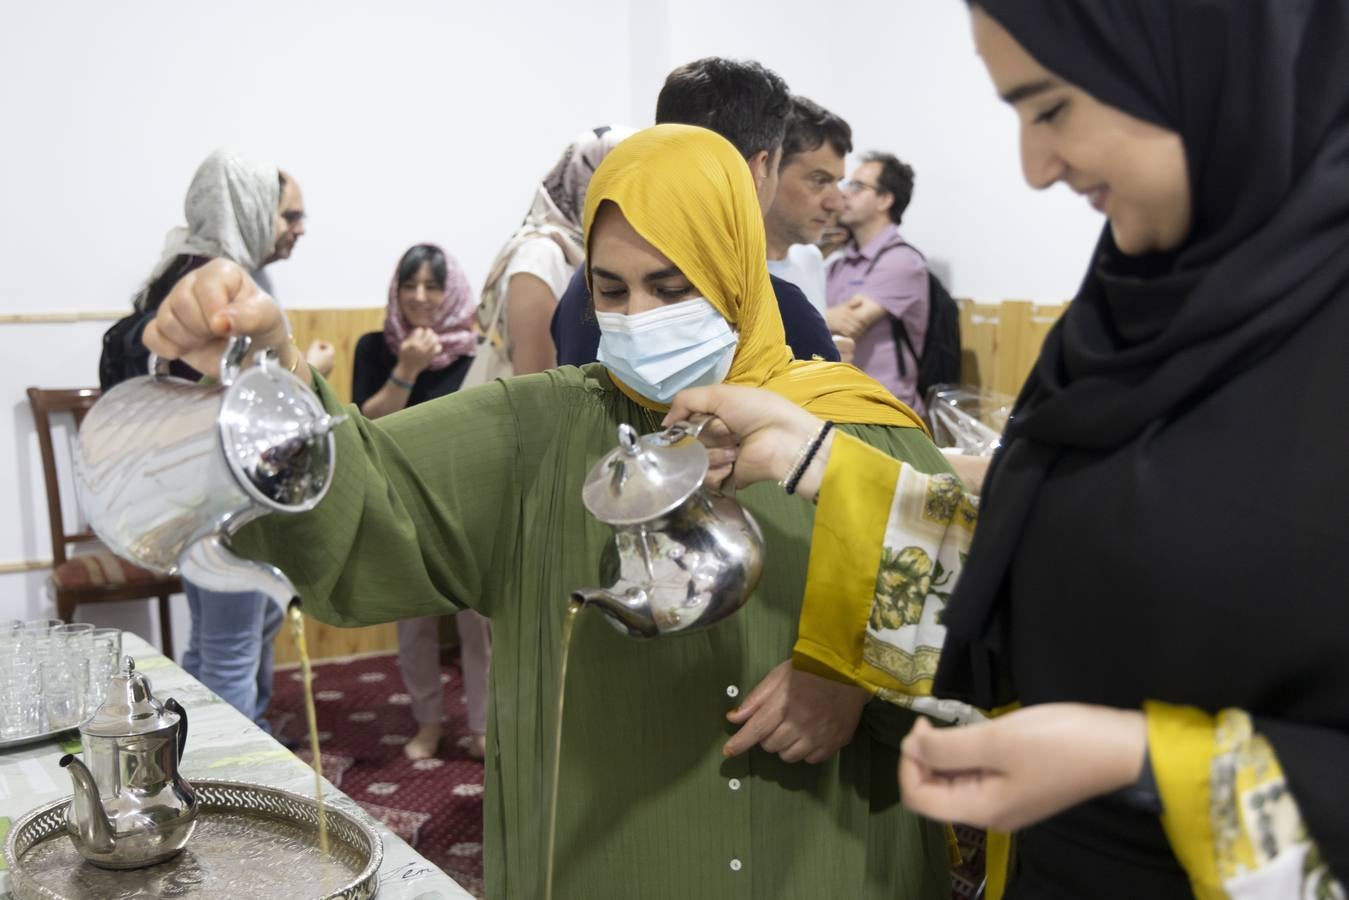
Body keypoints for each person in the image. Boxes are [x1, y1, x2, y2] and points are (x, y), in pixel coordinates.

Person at [145, 124, 953, 900]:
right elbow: (370, 492)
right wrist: (271, 365)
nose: (638, 316)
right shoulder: (540, 428)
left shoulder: (851, 428)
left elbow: (972, 607)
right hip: (604, 848)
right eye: (611, 288)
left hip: (819, 845)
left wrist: (853, 673)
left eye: (674, 288)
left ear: (739, 271)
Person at [668, 2, 1349, 898]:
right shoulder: (1129, 311)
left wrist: (1143, 764)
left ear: (1202, 68)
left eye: (1052, 108)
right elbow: (1059, 566)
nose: (1034, 169)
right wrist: (815, 458)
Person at [98, 148, 301, 731]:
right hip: (221, 498)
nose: (297, 229)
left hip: (186, 497)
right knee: (231, 646)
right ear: (251, 208)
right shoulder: (219, 288)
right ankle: (236, 775)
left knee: (215, 642)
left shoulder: (176, 268)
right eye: (287, 215)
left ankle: (197, 758)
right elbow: (224, 401)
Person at [550, 58, 840, 367]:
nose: (635, 318)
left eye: (669, 291)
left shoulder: (584, 285)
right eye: (673, 290)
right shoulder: (775, 309)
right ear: (759, 167)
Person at [351, 243, 479, 759]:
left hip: (469, 507)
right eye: (410, 286)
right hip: (401, 506)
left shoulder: (475, 354)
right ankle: (428, 723)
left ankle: (483, 724)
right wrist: (406, 368)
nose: (420, 297)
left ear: (452, 293)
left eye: (432, 286)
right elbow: (366, 427)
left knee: (480, 627)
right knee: (415, 626)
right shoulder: (374, 347)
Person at [825, 152, 931, 413]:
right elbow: (829, 321)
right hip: (844, 404)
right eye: (847, 184)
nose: (844, 194)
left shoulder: (902, 261)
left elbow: (849, 324)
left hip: (887, 411)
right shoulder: (838, 262)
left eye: (858, 187)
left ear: (885, 199)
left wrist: (820, 316)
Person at [764, 96, 850, 316]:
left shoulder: (810, 259)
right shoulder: (727, 273)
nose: (837, 204)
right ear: (766, 170)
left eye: (837, 182)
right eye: (819, 180)